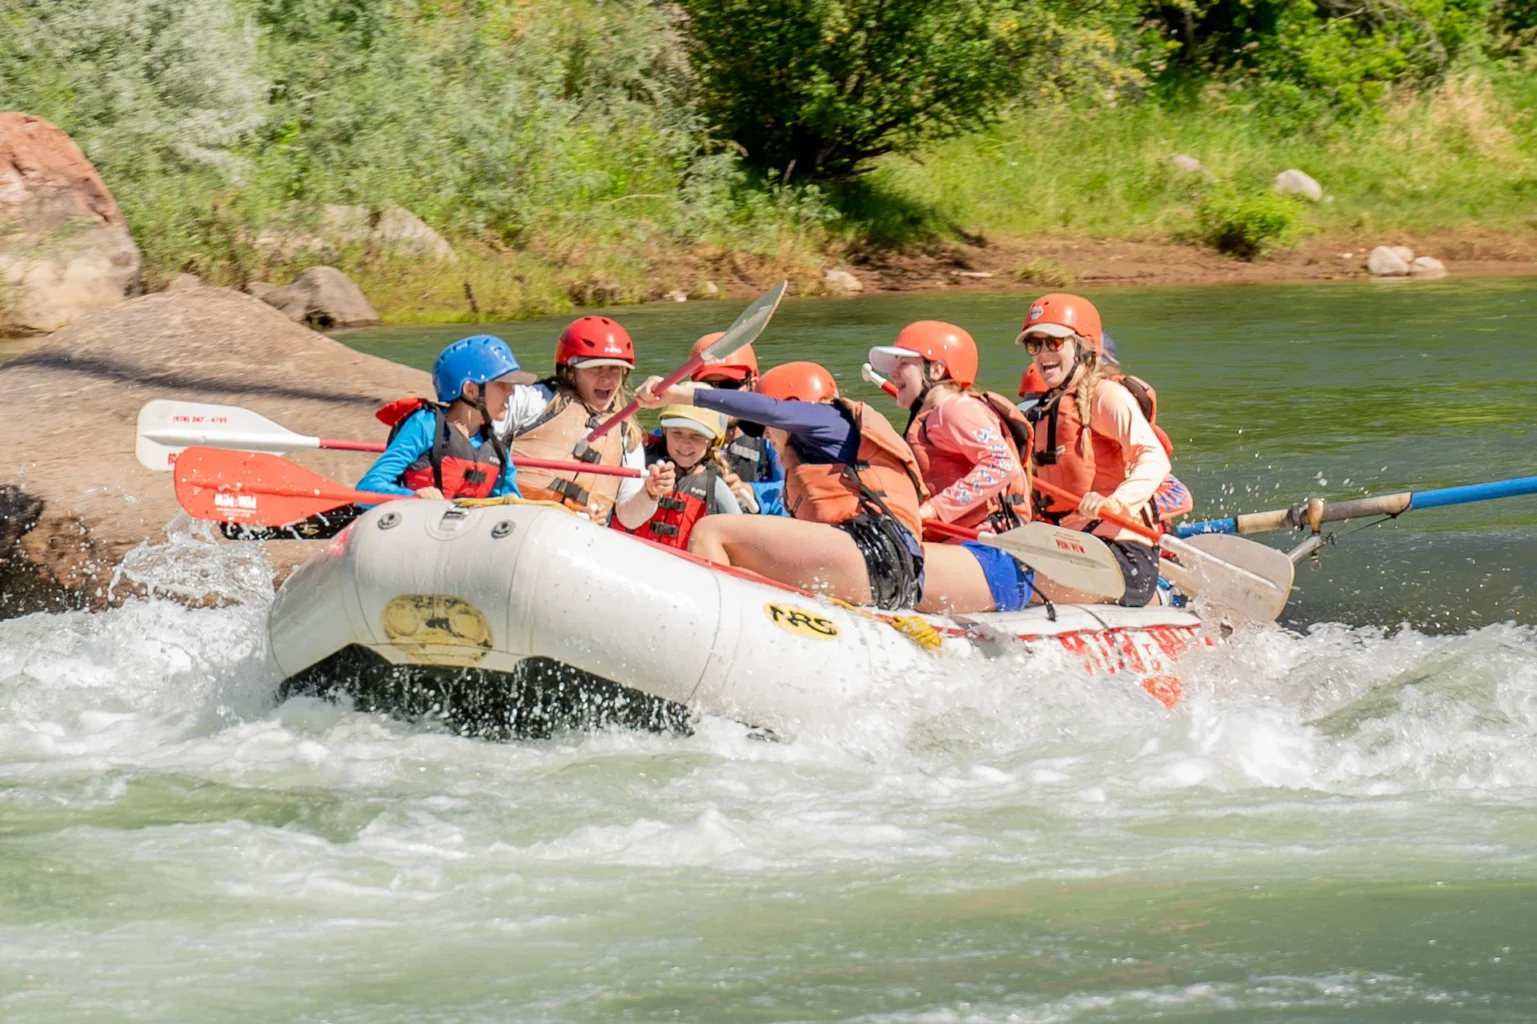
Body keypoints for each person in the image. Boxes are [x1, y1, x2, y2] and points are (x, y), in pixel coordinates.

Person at [635, 361, 926, 610]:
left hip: (874, 552)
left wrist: (680, 395)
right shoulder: (814, 452)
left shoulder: (830, 419)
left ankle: (718, 629)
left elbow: (773, 410)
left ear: (795, 407)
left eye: (767, 427)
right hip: (881, 564)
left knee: (711, 531)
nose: (766, 436)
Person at [866, 321, 1039, 614]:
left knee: (875, 562)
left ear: (936, 370)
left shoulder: (955, 409)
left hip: (993, 558)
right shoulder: (931, 415)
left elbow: (1002, 465)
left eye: (904, 364)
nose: (893, 374)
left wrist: (930, 511)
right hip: (966, 555)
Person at [1018, 293, 1172, 606]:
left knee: (1012, 580)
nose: (1043, 353)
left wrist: (1115, 503)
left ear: (1084, 347)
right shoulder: (1043, 410)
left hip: (1122, 555)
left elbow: (1154, 458)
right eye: (1036, 345)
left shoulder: (1104, 396)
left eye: (1055, 343)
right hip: (1072, 546)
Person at [499, 315, 673, 529]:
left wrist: (650, 492)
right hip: (516, 521)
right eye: (595, 368)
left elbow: (629, 517)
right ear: (570, 372)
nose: (606, 378)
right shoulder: (536, 400)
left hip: (579, 536)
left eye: (614, 369)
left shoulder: (627, 434)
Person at [361, 334, 523, 500]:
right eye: (501, 384)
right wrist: (412, 497)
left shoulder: (496, 448)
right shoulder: (425, 425)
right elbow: (367, 488)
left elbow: (512, 502)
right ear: (470, 390)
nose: (510, 392)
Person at [612, 389, 744, 548]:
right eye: (677, 433)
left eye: (696, 435)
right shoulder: (639, 461)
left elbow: (741, 537)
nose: (685, 443)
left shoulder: (715, 487)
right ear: (665, 432)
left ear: (711, 441)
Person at [688, 332, 785, 515]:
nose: (721, 398)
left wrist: (750, 491)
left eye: (730, 385)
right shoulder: (673, 435)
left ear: (752, 384)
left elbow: (796, 489)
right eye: (708, 388)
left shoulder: (772, 439)